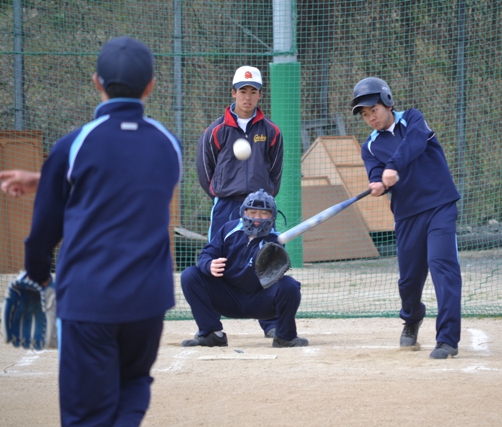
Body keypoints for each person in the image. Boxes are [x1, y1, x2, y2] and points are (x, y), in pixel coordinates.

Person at [23, 36, 182, 425]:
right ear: (151, 86)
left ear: (97, 82)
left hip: (90, 298)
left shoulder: (74, 145)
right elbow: (128, 184)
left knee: (86, 414)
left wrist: (39, 275)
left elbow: (45, 229)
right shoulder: (169, 145)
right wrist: (48, 180)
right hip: (148, 299)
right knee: (133, 385)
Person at [351, 77, 462, 359]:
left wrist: (393, 166)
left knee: (442, 267)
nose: (370, 117)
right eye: (365, 114)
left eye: (374, 109)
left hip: (439, 206)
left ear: (387, 103)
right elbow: (376, 174)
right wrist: (378, 184)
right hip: (407, 216)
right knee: (409, 281)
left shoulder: (413, 119)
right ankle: (412, 318)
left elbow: (414, 144)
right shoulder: (370, 147)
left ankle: (447, 339)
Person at [196, 65, 284, 338]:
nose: (247, 96)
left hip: (259, 207)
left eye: (253, 91)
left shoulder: (271, 131)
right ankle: (210, 328)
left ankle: (271, 324)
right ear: (233, 93)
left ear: (260, 95)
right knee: (215, 260)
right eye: (242, 91)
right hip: (226, 204)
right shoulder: (216, 130)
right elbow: (204, 168)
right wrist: (220, 193)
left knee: (266, 260)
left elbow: (275, 170)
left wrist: (264, 198)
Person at [180, 189, 308, 348]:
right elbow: (207, 254)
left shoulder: (275, 241)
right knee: (190, 275)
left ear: (272, 216)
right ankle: (211, 334)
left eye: (264, 214)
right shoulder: (228, 229)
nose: (257, 218)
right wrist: (209, 264)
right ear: (243, 212)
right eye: (252, 212)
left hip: (260, 302)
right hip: (227, 298)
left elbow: (272, 276)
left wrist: (271, 252)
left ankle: (285, 337)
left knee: (289, 285)